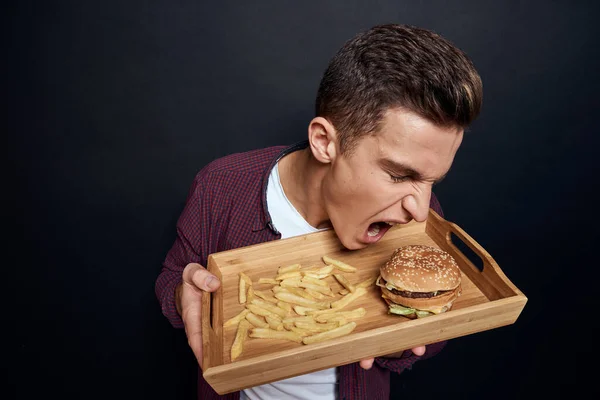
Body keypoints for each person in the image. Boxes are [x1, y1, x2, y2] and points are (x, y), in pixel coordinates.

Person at [155, 23, 483, 400]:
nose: (421, 212)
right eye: (398, 175)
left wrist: (400, 344)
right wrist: (182, 294)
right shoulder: (221, 187)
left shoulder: (411, 213)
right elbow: (172, 276)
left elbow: (431, 323)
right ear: (324, 142)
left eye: (433, 182)